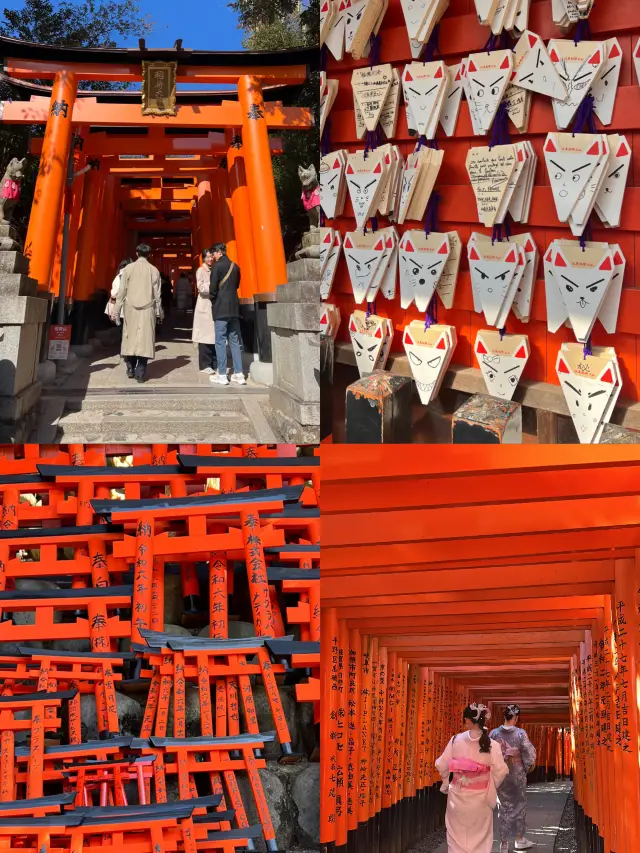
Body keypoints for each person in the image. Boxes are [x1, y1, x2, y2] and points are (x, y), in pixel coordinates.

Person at [435, 703, 509, 853]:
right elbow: (501, 771)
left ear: (468, 721)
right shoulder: (492, 745)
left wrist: (445, 781)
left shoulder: (455, 740)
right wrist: (490, 785)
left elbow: (441, 764)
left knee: (456, 836)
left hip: (458, 796)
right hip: (480, 799)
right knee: (481, 836)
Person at [490, 704, 537, 853]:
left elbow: (488, 753)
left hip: (500, 774)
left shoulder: (493, 734)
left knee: (503, 806)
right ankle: (519, 839)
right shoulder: (521, 734)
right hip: (517, 774)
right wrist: (528, 766)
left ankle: (504, 843)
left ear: (505, 716)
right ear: (516, 718)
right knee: (519, 804)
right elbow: (529, 753)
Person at [114, 243, 163, 382]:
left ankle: (130, 367)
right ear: (149, 254)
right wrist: (159, 311)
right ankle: (140, 373)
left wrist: (117, 310)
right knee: (145, 340)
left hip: (130, 308)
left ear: (136, 253)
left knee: (130, 338)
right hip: (148, 309)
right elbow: (157, 294)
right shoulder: (154, 270)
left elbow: (121, 292)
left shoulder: (128, 269)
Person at [208, 242, 245, 386]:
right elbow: (236, 285)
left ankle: (222, 374)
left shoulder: (217, 267)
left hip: (221, 309)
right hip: (234, 309)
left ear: (218, 252)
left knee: (220, 341)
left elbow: (213, 289)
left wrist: (214, 300)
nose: (213, 257)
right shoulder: (235, 267)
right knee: (235, 341)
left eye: (214, 254)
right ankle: (239, 374)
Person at [192, 248, 217, 374]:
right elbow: (201, 288)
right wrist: (215, 286)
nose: (210, 259)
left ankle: (213, 362)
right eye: (207, 257)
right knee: (204, 337)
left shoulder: (215, 269)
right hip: (204, 306)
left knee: (213, 336)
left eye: (211, 256)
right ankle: (205, 364)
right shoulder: (201, 270)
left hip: (213, 305)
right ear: (203, 258)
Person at [105, 258, 132, 323]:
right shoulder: (135, 277)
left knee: (120, 328)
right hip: (132, 309)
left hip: (121, 309)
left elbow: (114, 294)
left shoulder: (120, 277)